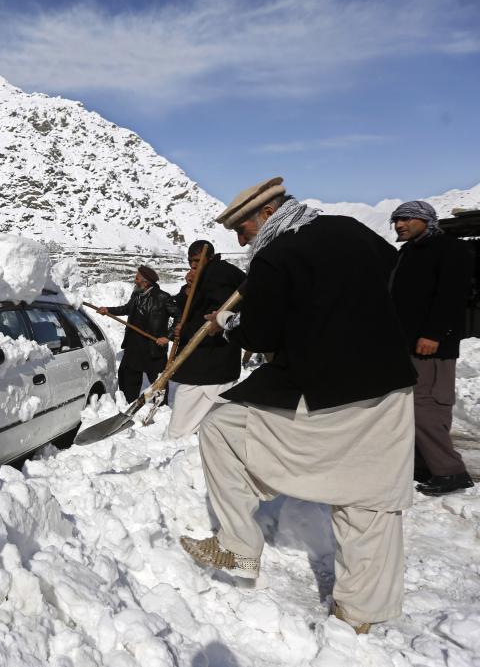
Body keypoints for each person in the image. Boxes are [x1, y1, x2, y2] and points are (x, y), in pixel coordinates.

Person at [179, 177, 417, 635]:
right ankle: (360, 613)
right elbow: (397, 282)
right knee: (368, 499)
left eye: (242, 230)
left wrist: (227, 321)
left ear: (268, 213)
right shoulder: (350, 229)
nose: (241, 241)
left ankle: (238, 545)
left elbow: (260, 335)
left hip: (323, 389)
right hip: (387, 382)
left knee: (222, 427)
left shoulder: (274, 255)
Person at [389, 200, 474, 496]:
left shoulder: (449, 249)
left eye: (407, 219)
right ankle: (426, 465)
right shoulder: (408, 252)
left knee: (428, 407)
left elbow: (452, 295)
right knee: (412, 407)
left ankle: (451, 472)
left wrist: (434, 334)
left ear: (426, 220)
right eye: (396, 220)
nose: (400, 224)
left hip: (432, 345)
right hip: (408, 344)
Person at [165, 241, 245, 438]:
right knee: (201, 423)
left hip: (211, 362)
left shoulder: (220, 276)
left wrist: (185, 331)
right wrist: (187, 290)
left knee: (183, 427)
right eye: (190, 262)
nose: (193, 266)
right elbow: (192, 306)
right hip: (204, 364)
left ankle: (179, 443)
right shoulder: (206, 275)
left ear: (210, 258)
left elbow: (215, 318)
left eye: (197, 261)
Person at [98, 265, 179, 402]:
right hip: (134, 345)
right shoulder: (136, 295)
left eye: (137, 278)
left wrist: (168, 337)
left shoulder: (163, 297)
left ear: (145, 282)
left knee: (158, 382)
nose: (134, 280)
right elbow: (126, 309)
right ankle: (129, 404)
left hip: (153, 347)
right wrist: (108, 310)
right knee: (128, 377)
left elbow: (179, 317)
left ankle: (160, 408)